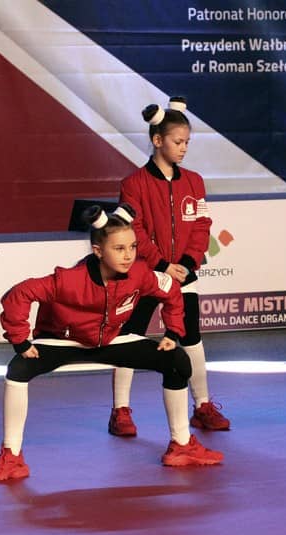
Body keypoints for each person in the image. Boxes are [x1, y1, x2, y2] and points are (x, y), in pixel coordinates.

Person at [0, 204, 224, 481]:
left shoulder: (140, 273)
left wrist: (172, 332)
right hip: (64, 342)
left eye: (132, 247)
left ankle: (181, 445)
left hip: (111, 339)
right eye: (119, 249)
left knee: (177, 360)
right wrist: (21, 341)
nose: (128, 255)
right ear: (98, 251)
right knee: (18, 369)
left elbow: (170, 289)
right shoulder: (69, 280)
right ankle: (11, 457)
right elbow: (19, 294)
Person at [107, 96, 229, 438]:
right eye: (178, 142)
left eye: (187, 142)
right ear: (158, 140)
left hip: (183, 275)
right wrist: (161, 264)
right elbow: (133, 231)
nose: (184, 148)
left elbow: (202, 226)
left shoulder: (195, 182)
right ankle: (120, 410)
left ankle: (202, 406)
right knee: (129, 337)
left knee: (191, 338)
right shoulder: (133, 185)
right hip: (145, 275)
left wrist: (187, 264)